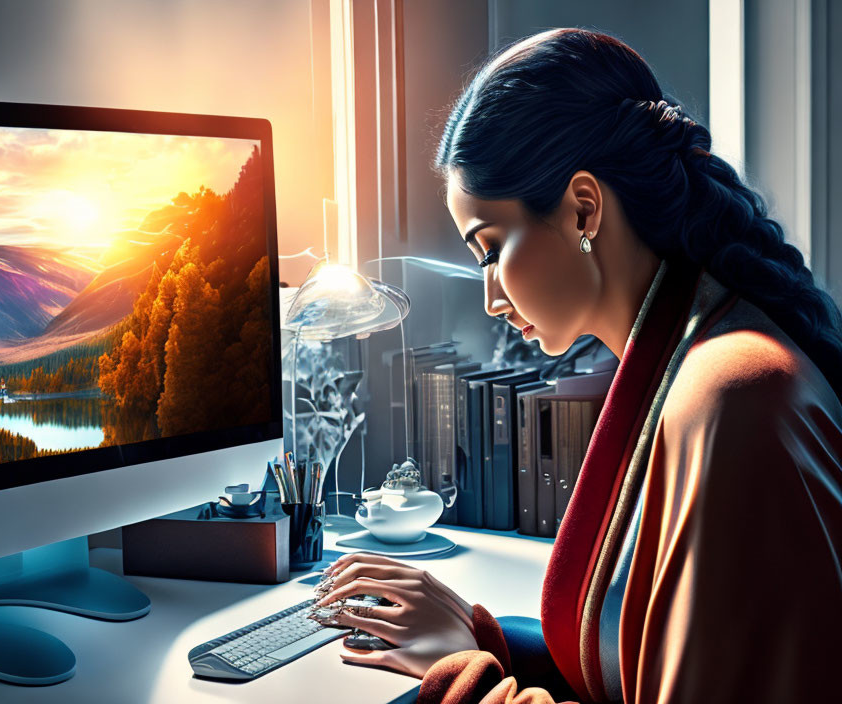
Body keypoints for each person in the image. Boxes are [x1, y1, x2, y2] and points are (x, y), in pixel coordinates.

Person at [310, 28, 842, 703]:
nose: (490, 297)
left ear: (584, 208)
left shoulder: (730, 395)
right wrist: (482, 638)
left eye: (490, 248)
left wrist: (466, 675)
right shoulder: (691, 359)